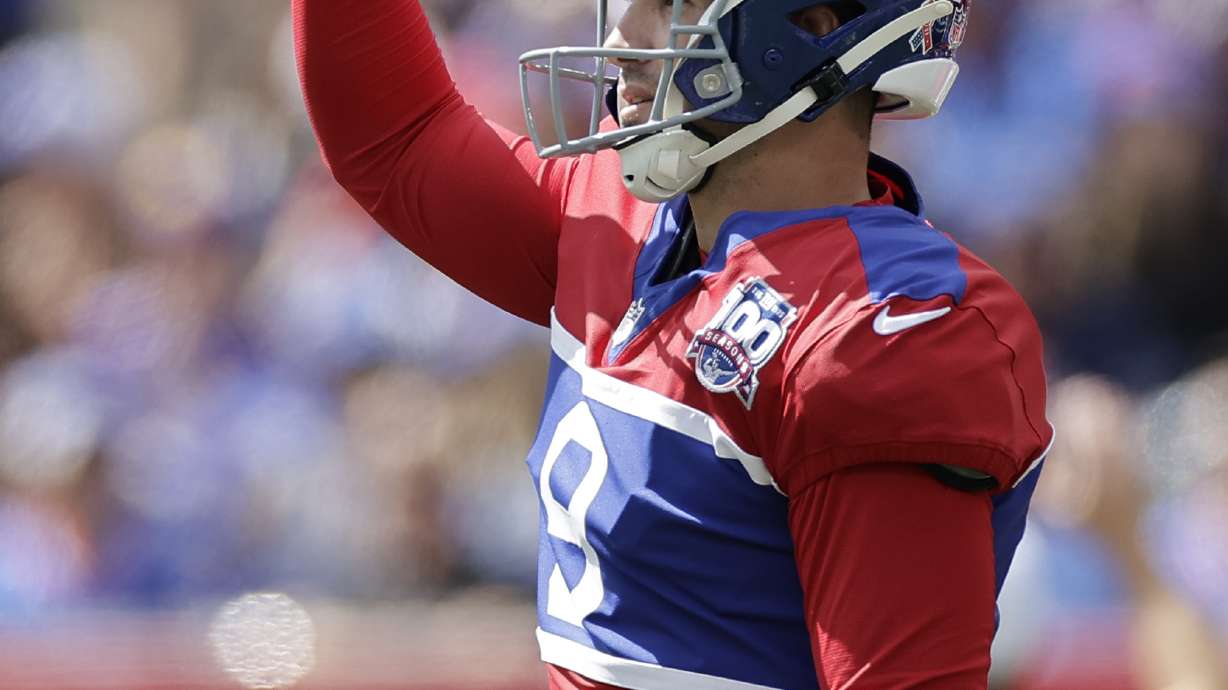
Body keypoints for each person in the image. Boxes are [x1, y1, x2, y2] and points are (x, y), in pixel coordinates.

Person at [293, 0, 1054, 687]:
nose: (624, 36)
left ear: (810, 28)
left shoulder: (882, 325)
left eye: (671, 5)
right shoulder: (615, 214)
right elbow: (393, 137)